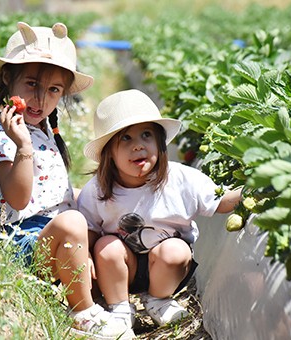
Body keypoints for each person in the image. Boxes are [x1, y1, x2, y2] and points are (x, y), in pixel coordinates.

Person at [0, 21, 135, 340]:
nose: (40, 99)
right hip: (17, 242)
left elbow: (53, 192)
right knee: (74, 221)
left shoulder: (43, 128)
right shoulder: (3, 133)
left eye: (53, 90)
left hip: (45, 237)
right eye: (31, 83)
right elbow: (19, 200)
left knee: (92, 217)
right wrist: (23, 147)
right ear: (8, 78)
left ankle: (116, 301)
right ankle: (83, 314)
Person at [77, 89, 243, 331]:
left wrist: (253, 189)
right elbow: (89, 230)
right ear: (109, 153)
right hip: (121, 270)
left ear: (159, 142)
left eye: (146, 135)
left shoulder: (180, 179)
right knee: (105, 247)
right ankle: (120, 308)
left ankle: (158, 301)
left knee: (175, 250)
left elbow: (220, 201)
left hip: (168, 269)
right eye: (126, 138)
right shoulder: (99, 190)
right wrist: (88, 258)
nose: (138, 146)